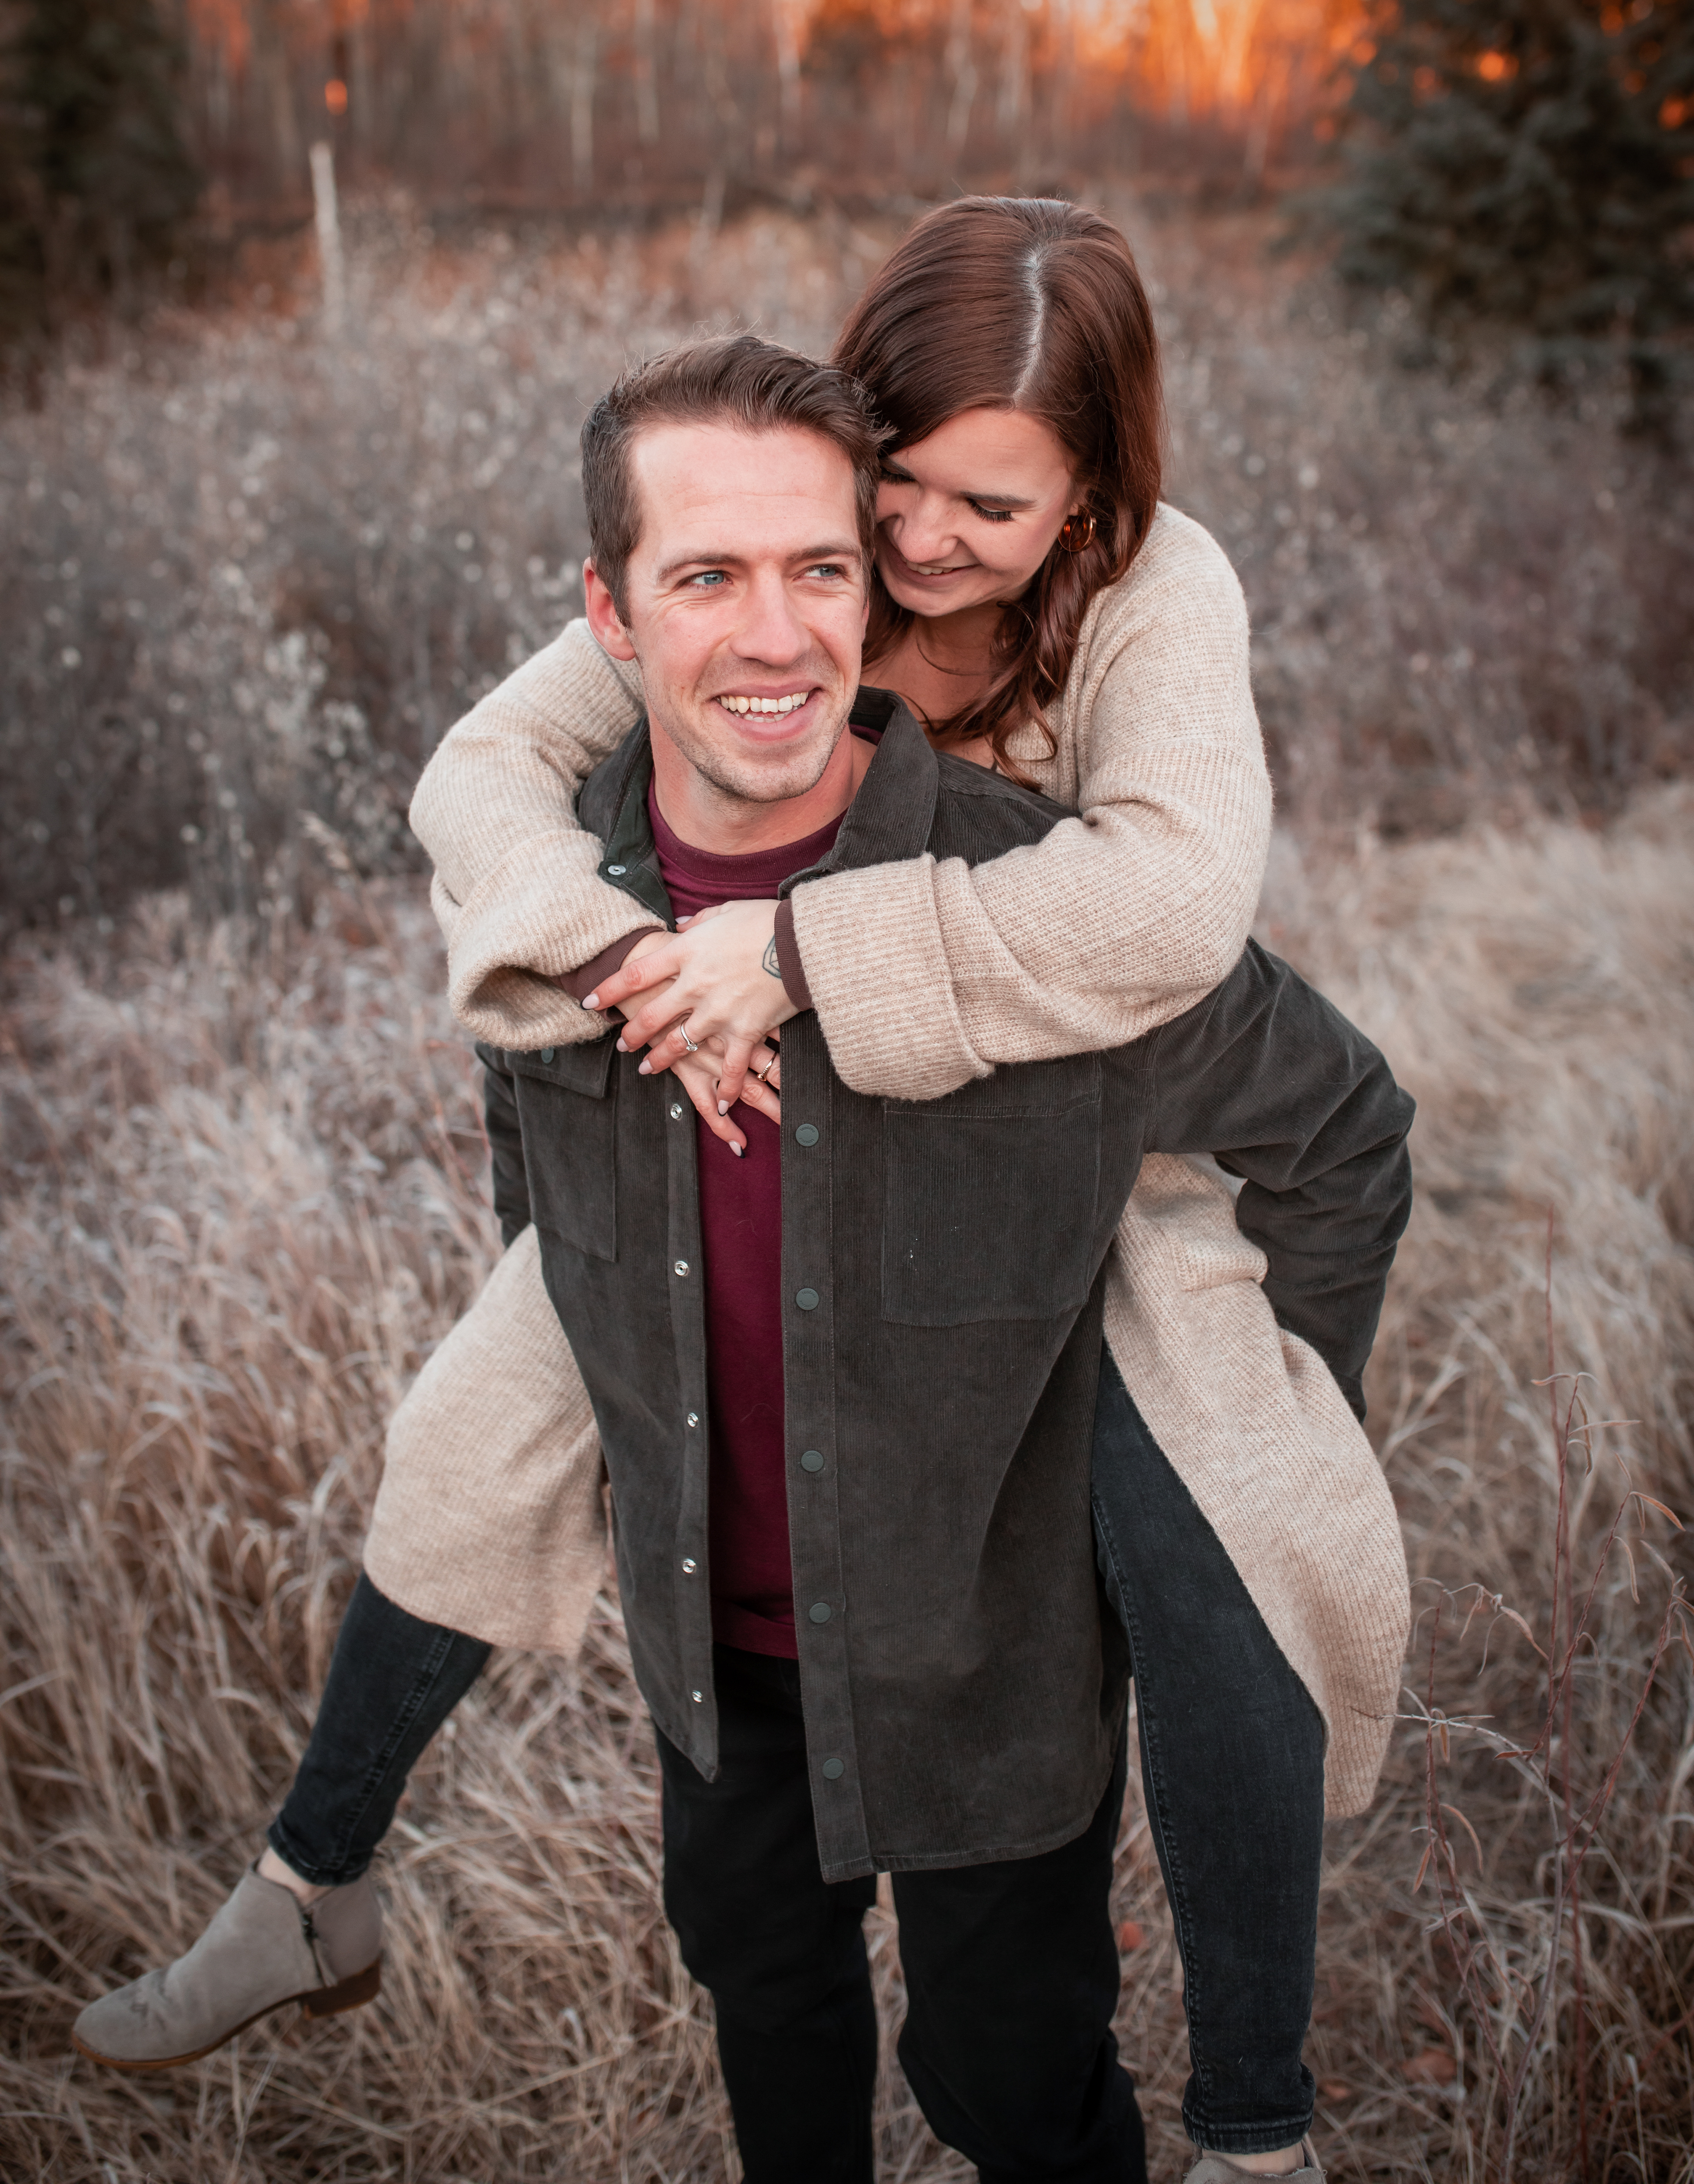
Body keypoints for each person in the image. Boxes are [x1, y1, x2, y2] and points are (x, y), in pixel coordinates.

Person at [73, 211, 1413, 2175]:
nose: (921, 549)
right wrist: (610, 964)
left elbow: (1182, 917)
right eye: (897, 496)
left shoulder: (1148, 594)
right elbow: (480, 776)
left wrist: (793, 955)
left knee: (1220, 1526)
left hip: (1042, 1085)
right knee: (476, 1425)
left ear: (1094, 504)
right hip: (731, 1199)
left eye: (990, 508)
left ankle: (1257, 2126)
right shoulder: (750, 564)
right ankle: (311, 1874)